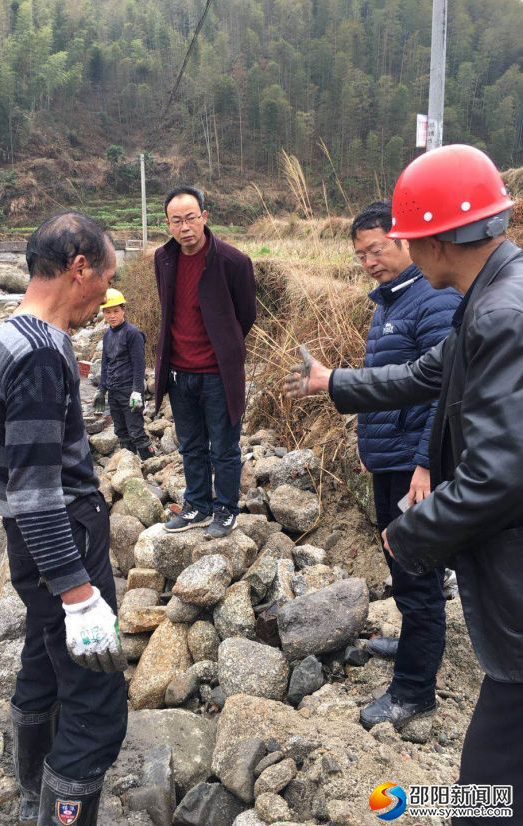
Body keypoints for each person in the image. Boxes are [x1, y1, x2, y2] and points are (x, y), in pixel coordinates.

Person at [285, 145, 520, 824]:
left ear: (440, 240)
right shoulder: (488, 298)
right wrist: (335, 384)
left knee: (487, 785)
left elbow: (501, 473)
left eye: (411, 239)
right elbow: (422, 376)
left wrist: (410, 532)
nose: (405, 252)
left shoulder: (503, 315)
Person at [0, 212, 128, 826]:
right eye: (106, 277)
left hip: (26, 541)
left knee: (44, 661)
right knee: (95, 699)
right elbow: (36, 490)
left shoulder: (9, 335)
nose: (106, 296)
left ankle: (30, 786)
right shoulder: (40, 354)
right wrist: (79, 592)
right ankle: (60, 813)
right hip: (60, 534)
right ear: (79, 267)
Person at [348, 201, 461, 729]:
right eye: (361, 255)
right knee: (404, 564)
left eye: (377, 249)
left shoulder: (431, 298)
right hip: (390, 459)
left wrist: (425, 466)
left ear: (404, 242)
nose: (370, 261)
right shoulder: (389, 303)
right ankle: (413, 643)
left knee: (417, 575)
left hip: (413, 466)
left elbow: (445, 391)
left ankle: (414, 693)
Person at [154, 185, 256, 539]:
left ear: (204, 218)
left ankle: (226, 509)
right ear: (168, 225)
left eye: (191, 218)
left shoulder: (233, 261)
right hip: (180, 374)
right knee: (191, 445)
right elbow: (169, 309)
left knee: (224, 447)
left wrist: (223, 348)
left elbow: (246, 314)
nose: (185, 227)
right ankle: (197, 504)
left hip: (217, 374)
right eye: (177, 220)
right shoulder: (163, 260)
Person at [93, 287, 155, 460]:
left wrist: (137, 391)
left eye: (115, 311)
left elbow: (139, 364)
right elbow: (105, 364)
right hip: (113, 391)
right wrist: (101, 389)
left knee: (135, 430)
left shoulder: (133, 334)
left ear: (123, 310)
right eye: (107, 312)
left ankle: (149, 462)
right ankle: (130, 463)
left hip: (129, 390)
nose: (112, 315)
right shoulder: (107, 335)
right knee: (120, 430)